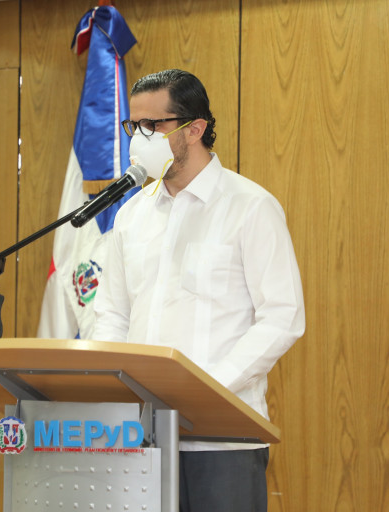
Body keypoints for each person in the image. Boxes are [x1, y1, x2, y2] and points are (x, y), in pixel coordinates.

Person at [92, 69, 305, 512]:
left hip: (222, 438)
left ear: (195, 128)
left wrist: (208, 391)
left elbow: (282, 317)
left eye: (153, 125)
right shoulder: (132, 215)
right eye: (134, 125)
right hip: (141, 437)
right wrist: (113, 394)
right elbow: (112, 314)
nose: (140, 138)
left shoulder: (251, 206)